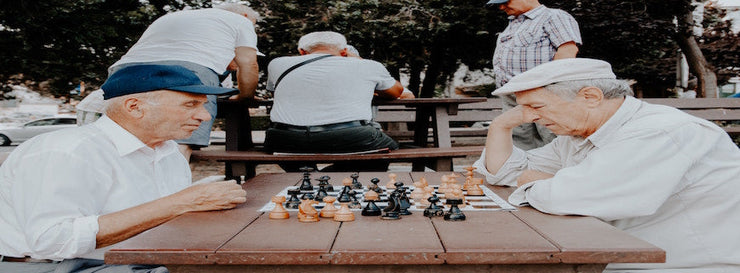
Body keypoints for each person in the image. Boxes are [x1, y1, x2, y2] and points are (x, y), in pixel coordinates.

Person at [473, 58, 740, 272]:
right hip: (618, 255)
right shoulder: (578, 133)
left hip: (684, 263)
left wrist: (534, 182)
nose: (529, 117)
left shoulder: (658, 132)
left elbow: (569, 197)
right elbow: (505, 173)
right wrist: (500, 126)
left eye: (537, 106)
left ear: (590, 97)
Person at [0, 65, 248, 272]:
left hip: (133, 262)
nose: (205, 116)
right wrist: (182, 203)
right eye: (190, 105)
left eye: (203, 105)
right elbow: (53, 241)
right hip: (57, 267)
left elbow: (162, 218)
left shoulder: (167, 150)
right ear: (134, 107)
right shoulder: (68, 151)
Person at [78, 3, 261, 161]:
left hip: (125, 68)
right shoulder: (241, 21)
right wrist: (245, 97)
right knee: (181, 138)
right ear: (245, 16)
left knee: (123, 137)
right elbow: (249, 64)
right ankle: (174, 193)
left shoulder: (174, 16)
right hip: (189, 69)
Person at [264, 31, 404, 172]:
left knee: (291, 151)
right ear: (344, 52)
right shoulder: (367, 66)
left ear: (301, 52)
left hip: (283, 139)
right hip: (349, 136)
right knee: (388, 147)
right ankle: (328, 178)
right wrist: (358, 59)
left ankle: (307, 175)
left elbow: (275, 93)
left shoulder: (277, 64)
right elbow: (396, 92)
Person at [486, 0, 582, 150]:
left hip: (542, 91)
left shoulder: (553, 16)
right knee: (519, 142)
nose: (501, 7)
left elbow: (567, 51)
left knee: (553, 137)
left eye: (505, 1)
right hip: (512, 93)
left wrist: (550, 87)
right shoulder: (514, 23)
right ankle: (526, 172)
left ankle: (561, 172)